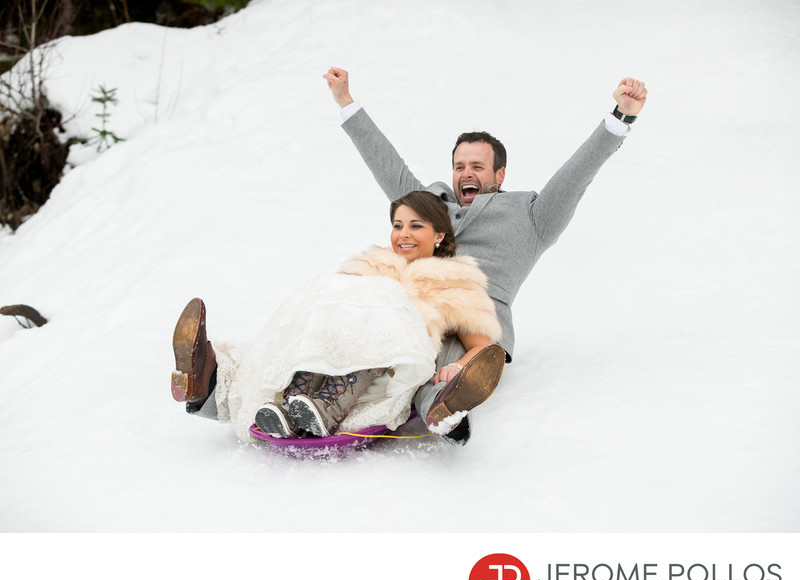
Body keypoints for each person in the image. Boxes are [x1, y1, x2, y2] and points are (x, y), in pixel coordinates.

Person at [323, 67, 647, 445]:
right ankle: (313, 396)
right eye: (460, 166)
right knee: (368, 325)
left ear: (499, 174)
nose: (466, 174)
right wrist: (346, 101)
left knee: (447, 350)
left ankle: (444, 405)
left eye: (477, 166)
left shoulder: (532, 216)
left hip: (475, 316)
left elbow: (577, 175)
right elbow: (387, 165)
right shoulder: (430, 204)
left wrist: (620, 117)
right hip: (415, 299)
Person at [171, 191, 504, 444]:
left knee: (381, 321)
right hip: (339, 347)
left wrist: (459, 367)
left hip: (389, 362)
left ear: (440, 235)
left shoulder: (456, 281)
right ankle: (275, 399)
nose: (403, 233)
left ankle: (325, 407)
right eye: (398, 225)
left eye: (416, 226)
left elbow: (481, 345)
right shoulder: (373, 265)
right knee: (323, 311)